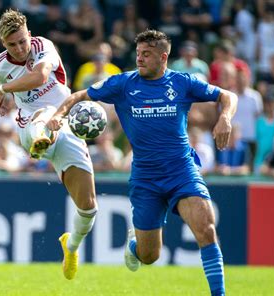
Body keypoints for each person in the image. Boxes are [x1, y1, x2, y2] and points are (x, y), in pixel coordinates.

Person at [47, 29, 237, 296]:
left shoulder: (182, 83)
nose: (140, 59)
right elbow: (78, 96)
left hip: (181, 171)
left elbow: (228, 96)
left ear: (163, 57)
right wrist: (58, 115)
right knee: (149, 256)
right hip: (146, 179)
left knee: (206, 228)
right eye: (138, 54)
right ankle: (134, 246)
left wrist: (225, 117)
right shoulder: (123, 84)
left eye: (146, 54)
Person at [0, 9, 97, 280]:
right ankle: (40, 139)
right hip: (29, 124)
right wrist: (4, 90)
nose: (19, 48)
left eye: (22, 41)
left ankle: (71, 246)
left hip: (66, 124)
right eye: (12, 45)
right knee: (42, 116)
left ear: (29, 34)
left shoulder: (44, 46)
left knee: (88, 207)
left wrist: (4, 89)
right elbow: (14, 89)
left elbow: (39, 77)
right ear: (3, 44)